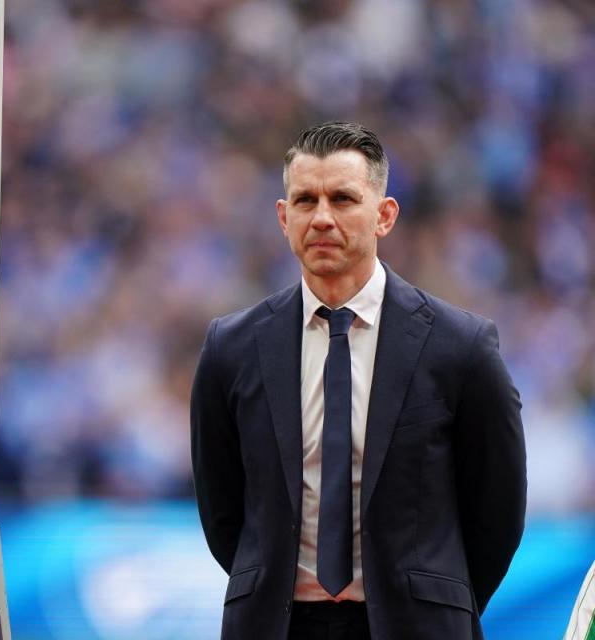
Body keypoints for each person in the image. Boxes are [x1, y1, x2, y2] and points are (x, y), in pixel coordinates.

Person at [190, 121, 526, 640]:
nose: (322, 217)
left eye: (343, 199)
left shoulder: (461, 346)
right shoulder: (230, 348)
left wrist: (434, 598)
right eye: (305, 200)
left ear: (384, 215)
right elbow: (222, 510)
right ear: (283, 218)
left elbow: (498, 511)